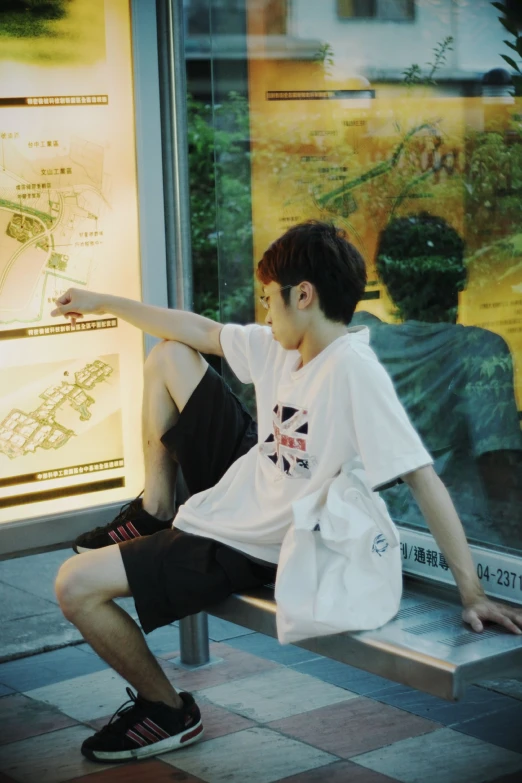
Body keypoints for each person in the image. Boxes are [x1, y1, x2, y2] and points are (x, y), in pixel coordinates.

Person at [52, 221, 522, 765]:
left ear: (304, 295)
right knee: (170, 355)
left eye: (269, 300)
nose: (263, 313)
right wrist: (100, 300)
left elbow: (423, 478)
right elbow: (195, 329)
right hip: (246, 482)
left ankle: (167, 711)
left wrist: (472, 593)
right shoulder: (280, 346)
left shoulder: (353, 371)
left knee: (74, 586)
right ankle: (156, 510)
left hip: (252, 541)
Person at [352, 213, 522, 549]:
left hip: (377, 532)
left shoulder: (359, 337)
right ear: (459, 278)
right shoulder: (479, 349)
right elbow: (500, 469)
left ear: (388, 283)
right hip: (467, 540)